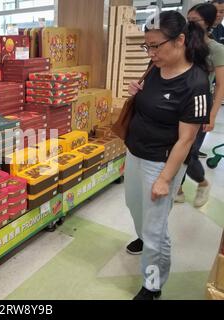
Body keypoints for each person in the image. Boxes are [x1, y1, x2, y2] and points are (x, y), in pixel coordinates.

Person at [125, 11, 211, 300]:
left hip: (160, 164)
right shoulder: (155, 65)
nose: (150, 53)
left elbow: (186, 140)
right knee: (134, 207)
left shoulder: (196, 84)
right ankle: (145, 235)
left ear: (180, 40)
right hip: (135, 153)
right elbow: (147, 101)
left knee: (155, 233)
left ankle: (152, 285)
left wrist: (164, 179)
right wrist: (135, 90)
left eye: (155, 46)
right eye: (146, 46)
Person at [175, 3, 224, 207]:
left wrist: (212, 115)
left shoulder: (216, 49)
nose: (190, 24)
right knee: (175, 145)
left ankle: (202, 183)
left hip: (201, 105)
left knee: (189, 151)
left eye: (195, 21)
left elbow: (221, 85)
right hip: (179, 101)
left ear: (209, 23)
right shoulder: (184, 43)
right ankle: (177, 187)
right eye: (188, 19)